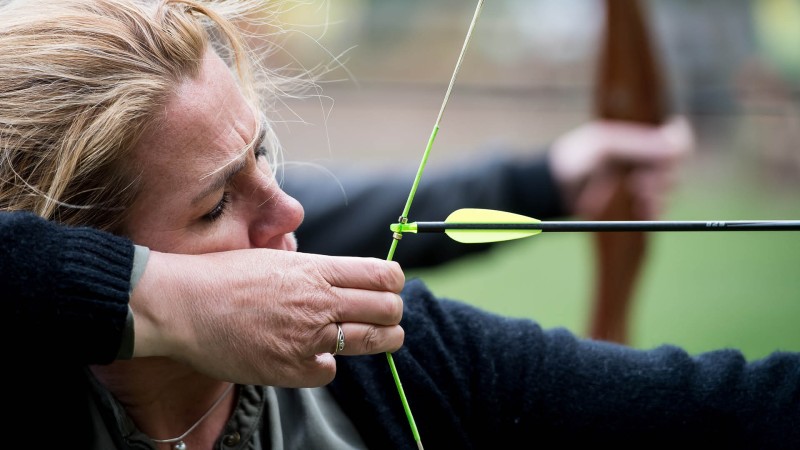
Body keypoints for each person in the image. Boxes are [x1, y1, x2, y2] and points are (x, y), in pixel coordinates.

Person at [1, 1, 796, 449]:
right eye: (214, 207)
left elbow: (727, 409)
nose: (291, 214)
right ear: (75, 248)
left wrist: (542, 182)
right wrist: (162, 301)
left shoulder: (397, 357)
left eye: (265, 156)